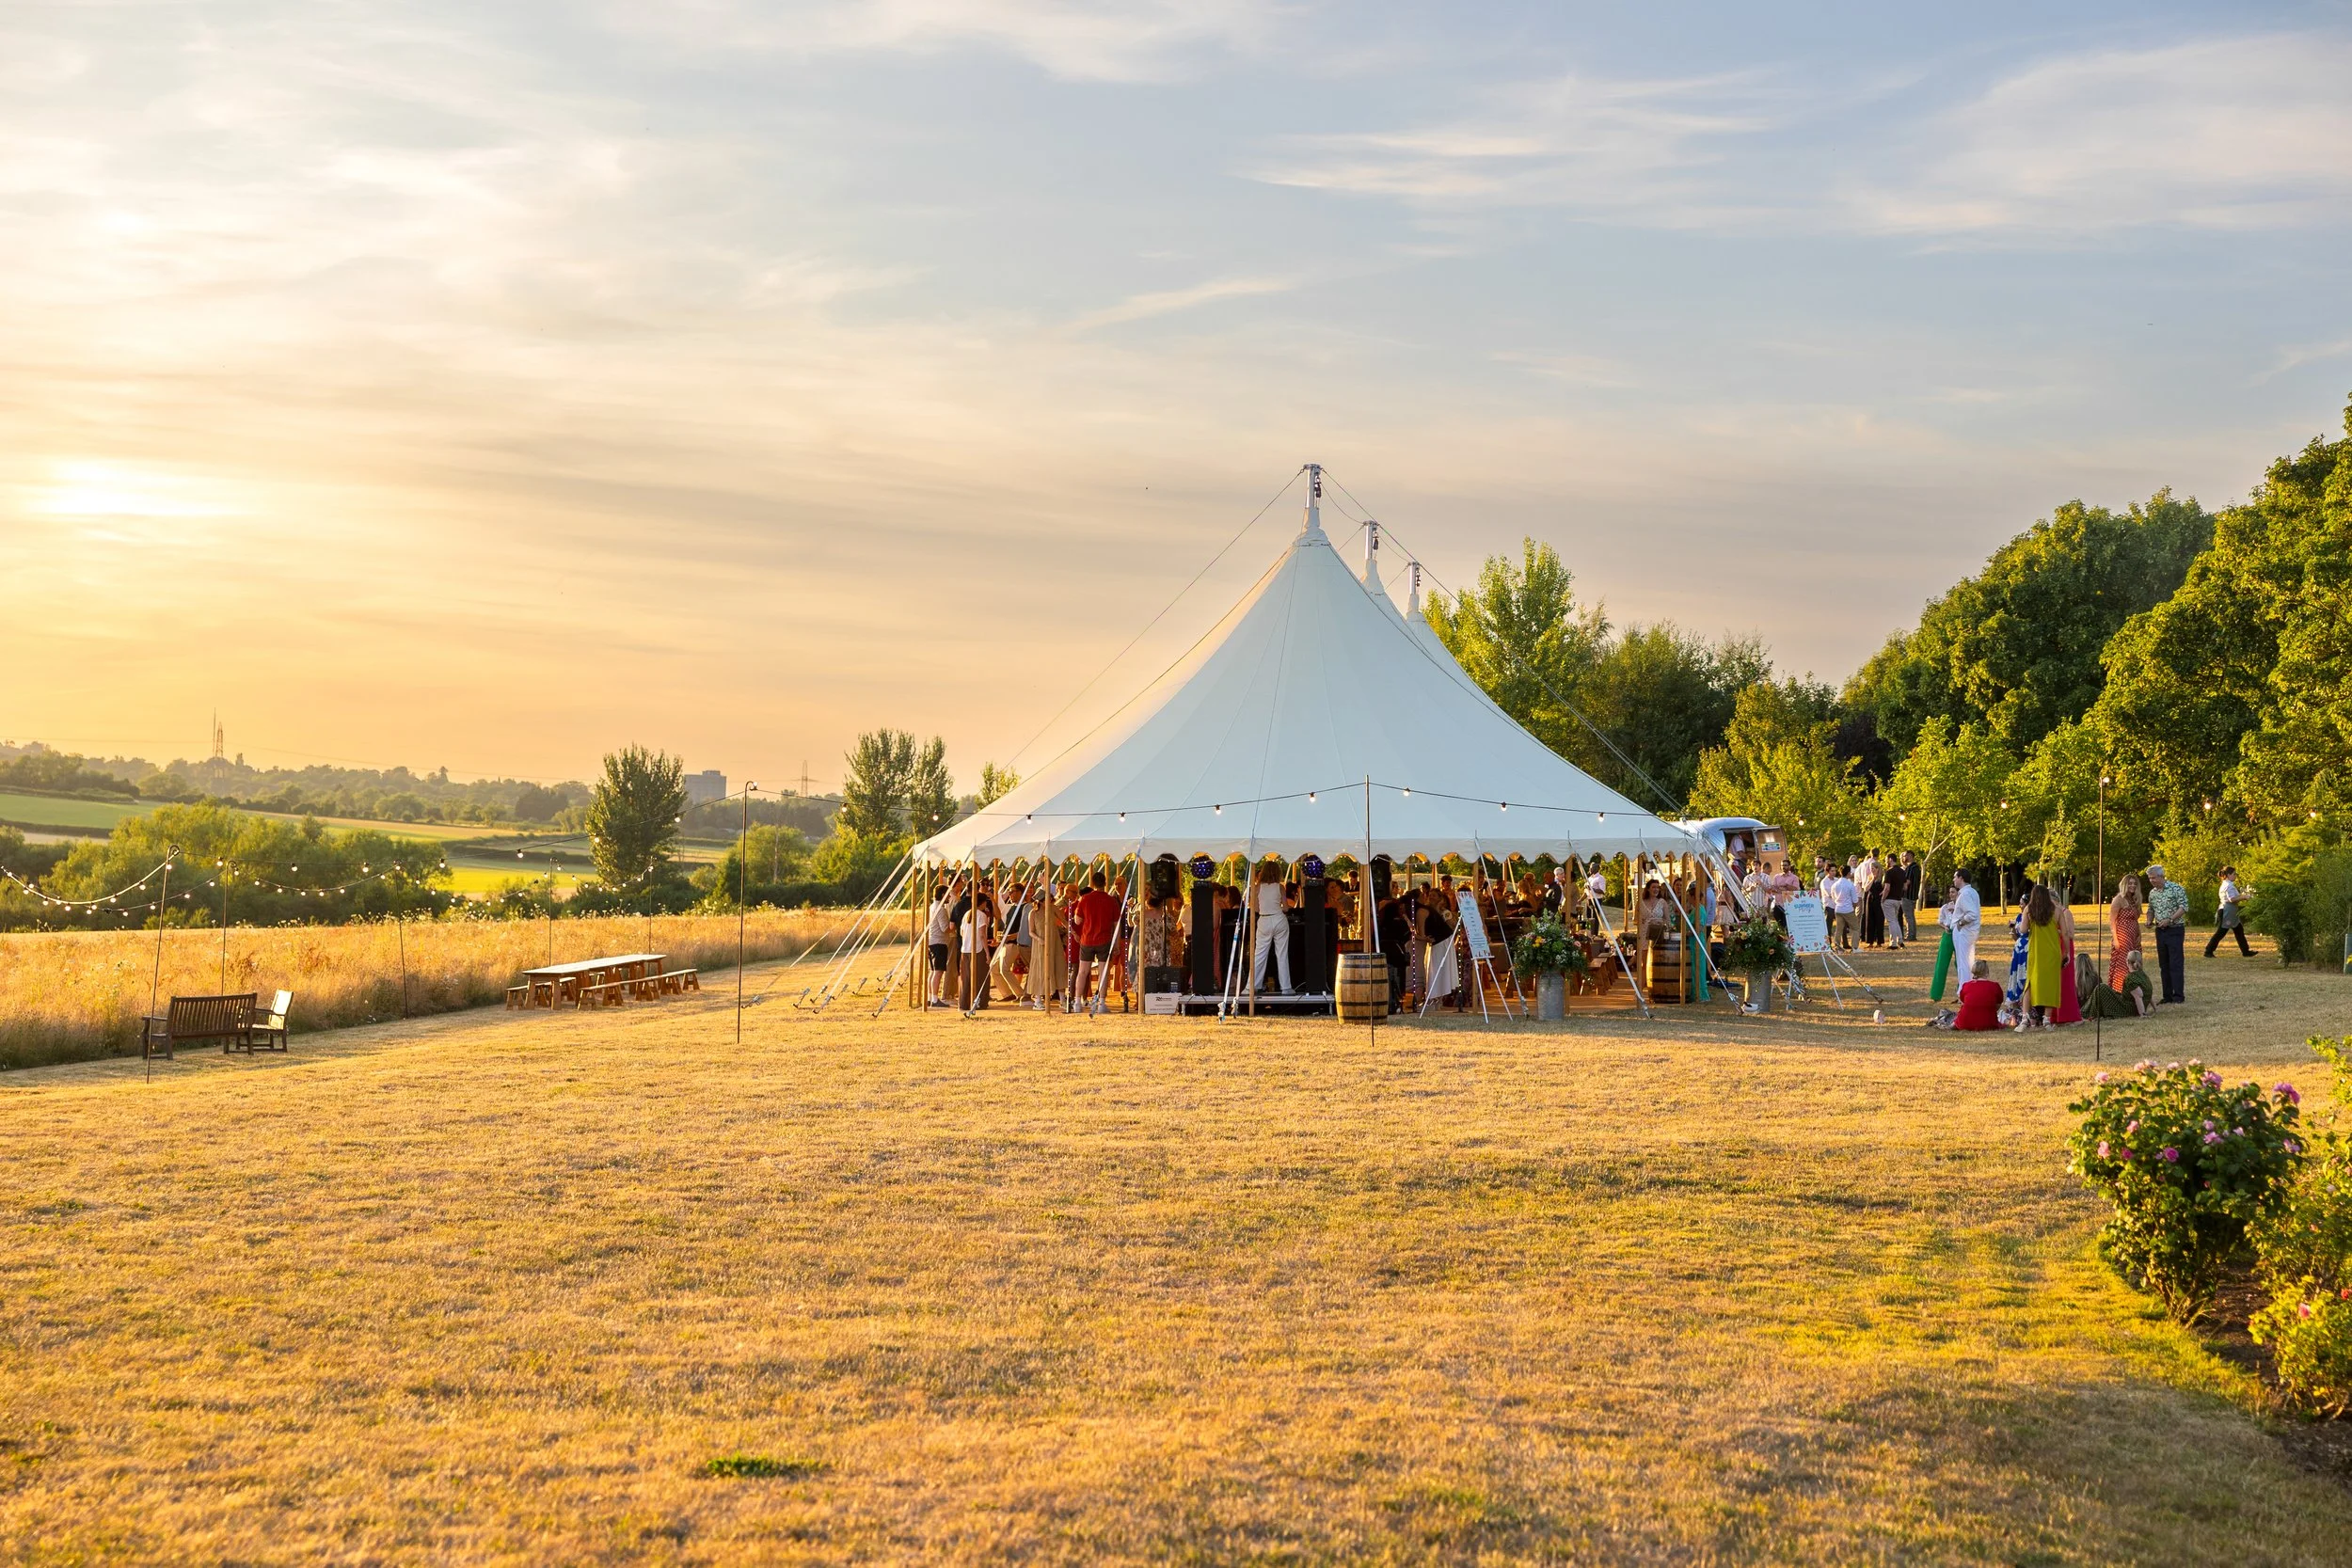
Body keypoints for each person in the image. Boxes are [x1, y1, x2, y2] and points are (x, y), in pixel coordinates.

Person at [1070, 870, 1122, 1009]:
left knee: (1082, 972)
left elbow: (1078, 921)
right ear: (1105, 883)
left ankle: (1077, 1003)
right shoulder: (1111, 901)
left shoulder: (1084, 899)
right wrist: (1116, 944)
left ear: (1092, 883)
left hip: (1087, 940)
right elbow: (1117, 926)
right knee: (1103, 972)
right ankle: (1102, 1003)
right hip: (1104, 940)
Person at [2018, 884, 2062, 1030]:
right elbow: (2065, 931)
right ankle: (2047, 1019)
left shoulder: (2029, 909)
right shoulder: (2056, 910)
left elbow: (2023, 930)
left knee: (2030, 983)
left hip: (2036, 950)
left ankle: (2025, 1017)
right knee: (2050, 984)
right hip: (2052, 951)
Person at [1248, 861, 1293, 994]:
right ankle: (1286, 987)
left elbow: (1255, 908)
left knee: (1260, 955)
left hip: (1264, 919)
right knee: (1282, 954)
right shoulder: (1280, 887)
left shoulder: (1257, 888)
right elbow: (1285, 908)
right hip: (1279, 919)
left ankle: (1252, 986)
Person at [2147, 863, 2187, 1005]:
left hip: (2175, 929)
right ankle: (2167, 995)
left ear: (2161, 876)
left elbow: (2184, 907)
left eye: (2154, 878)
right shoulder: (2153, 893)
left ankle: (2178, 995)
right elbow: (2151, 909)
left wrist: (2170, 920)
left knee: (2175, 963)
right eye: (2150, 878)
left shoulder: (2176, 889)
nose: (2151, 881)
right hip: (2160, 931)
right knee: (2164, 964)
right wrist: (2149, 920)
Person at [1938, 868, 1982, 996]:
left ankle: (1964, 991)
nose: (1953, 879)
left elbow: (1972, 914)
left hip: (1964, 932)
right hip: (1968, 932)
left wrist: (1960, 923)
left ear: (1961, 878)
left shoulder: (1965, 894)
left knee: (1964, 963)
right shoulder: (1972, 892)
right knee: (1967, 961)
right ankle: (1966, 989)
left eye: (1955, 877)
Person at [1423, 876, 1462, 1009]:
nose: (1432, 897)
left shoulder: (1445, 913)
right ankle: (1432, 997)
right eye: (1430, 895)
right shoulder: (1426, 911)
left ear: (1440, 899)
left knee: (1440, 969)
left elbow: (1453, 928)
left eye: (1435, 895)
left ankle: (1438, 998)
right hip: (1432, 944)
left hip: (1443, 943)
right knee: (1431, 969)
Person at [2085, 949, 2156, 1018]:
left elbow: (2138, 995)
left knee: (2101, 988)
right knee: (2109, 991)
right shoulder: (2143, 975)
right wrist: (2155, 1008)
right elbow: (2149, 993)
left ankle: (2086, 1012)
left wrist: (2142, 1014)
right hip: (2132, 1005)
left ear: (2127, 961)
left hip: (2129, 1009)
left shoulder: (2130, 978)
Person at [2205, 865, 2253, 958]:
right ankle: (2208, 950)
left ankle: (2246, 951)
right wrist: (2244, 897)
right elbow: (2232, 899)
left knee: (2239, 930)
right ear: (2228, 875)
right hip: (2227, 911)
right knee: (2221, 932)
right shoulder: (2228, 886)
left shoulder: (2228, 884)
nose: (2236, 876)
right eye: (2234, 874)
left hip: (2231, 911)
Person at [959, 891, 994, 1012]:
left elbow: (962, 932)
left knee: (966, 978)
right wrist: (987, 953)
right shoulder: (981, 915)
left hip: (965, 949)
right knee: (981, 977)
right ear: (983, 903)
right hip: (977, 950)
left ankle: (964, 1003)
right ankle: (980, 1002)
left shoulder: (967, 914)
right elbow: (982, 935)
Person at [925, 879, 958, 1007]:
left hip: (932, 941)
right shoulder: (941, 909)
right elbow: (945, 928)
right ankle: (934, 999)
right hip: (939, 943)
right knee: (938, 971)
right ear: (943, 895)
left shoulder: (932, 907)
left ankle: (930, 997)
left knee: (933, 971)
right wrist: (954, 923)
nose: (950, 897)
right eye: (948, 894)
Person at [2107, 874, 2143, 990]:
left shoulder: (2134, 900)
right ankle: (2120, 989)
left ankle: (2135, 987)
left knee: (2136, 961)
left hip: (2134, 935)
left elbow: (2136, 919)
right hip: (2123, 935)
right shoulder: (2119, 899)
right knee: (2124, 962)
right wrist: (2116, 940)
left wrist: (2139, 934)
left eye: (2134, 883)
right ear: (2124, 885)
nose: (2132, 886)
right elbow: (2112, 921)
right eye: (2130, 883)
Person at [1953, 958, 2004, 1031]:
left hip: (1965, 1023)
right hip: (1989, 1023)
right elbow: (1998, 1004)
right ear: (1987, 972)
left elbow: (1963, 1002)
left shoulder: (1966, 986)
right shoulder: (1995, 986)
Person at [1827, 863, 1859, 952]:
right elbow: (1855, 900)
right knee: (1856, 928)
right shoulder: (1850, 885)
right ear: (1848, 873)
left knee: (1839, 929)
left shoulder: (1834, 885)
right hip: (1848, 909)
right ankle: (1855, 948)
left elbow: (1833, 899)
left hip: (1838, 909)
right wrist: (1853, 907)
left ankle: (1838, 947)